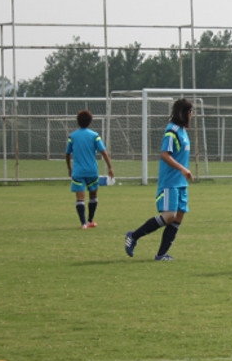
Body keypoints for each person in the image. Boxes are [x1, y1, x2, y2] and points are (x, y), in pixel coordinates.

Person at [124, 98, 194, 261]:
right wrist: (183, 169)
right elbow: (164, 154)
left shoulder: (182, 131)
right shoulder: (172, 131)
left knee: (178, 217)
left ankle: (161, 254)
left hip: (180, 183)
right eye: (191, 112)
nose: (192, 115)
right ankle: (133, 236)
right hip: (170, 181)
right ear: (184, 113)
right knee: (169, 215)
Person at [65, 110, 114, 229]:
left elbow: (67, 154)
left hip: (78, 171)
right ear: (90, 122)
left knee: (80, 197)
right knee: (93, 196)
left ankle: (83, 223)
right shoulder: (94, 136)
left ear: (78, 121)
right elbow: (104, 152)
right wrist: (110, 167)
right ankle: (90, 220)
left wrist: (69, 168)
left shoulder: (72, 136)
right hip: (92, 171)